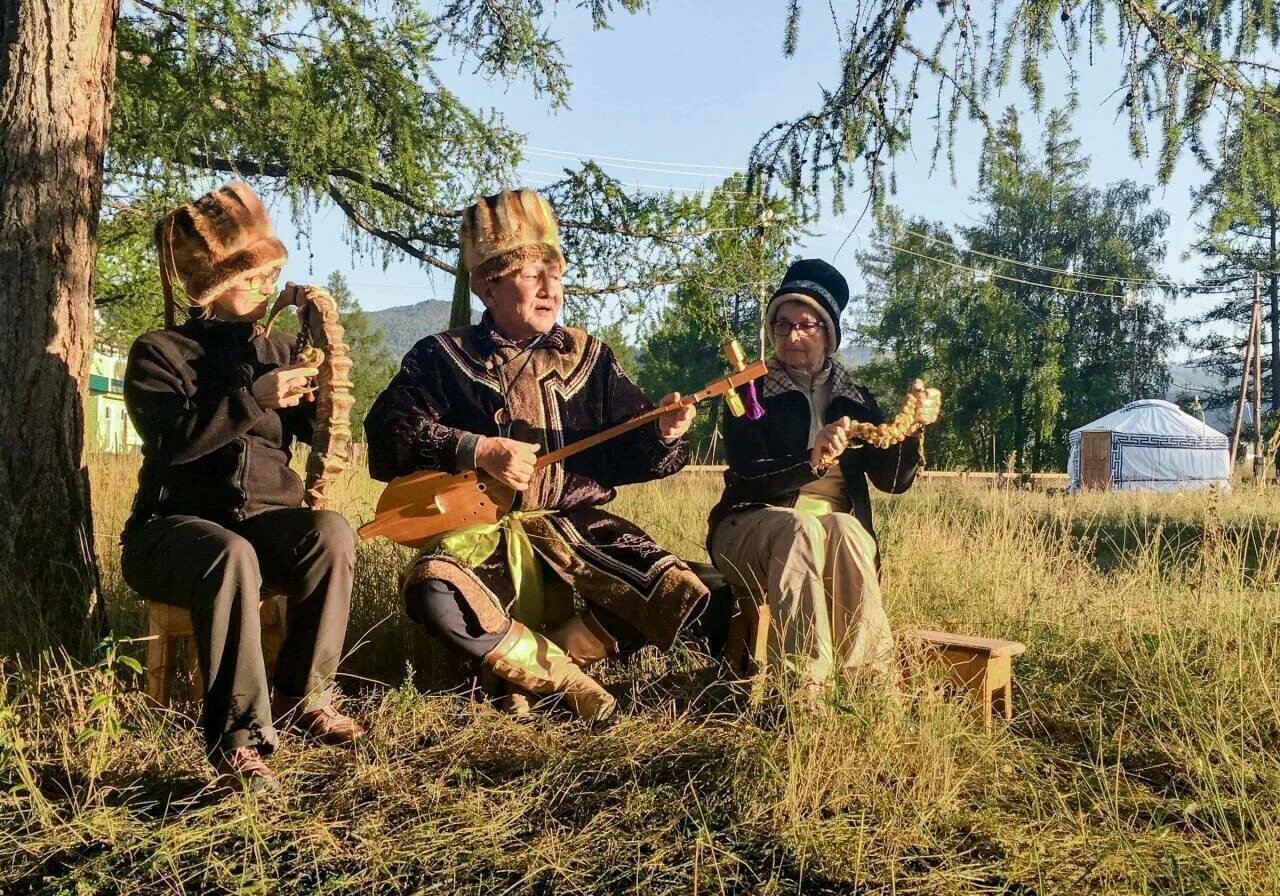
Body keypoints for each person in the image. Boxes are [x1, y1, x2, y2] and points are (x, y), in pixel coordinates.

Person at [365, 188, 724, 722]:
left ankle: (530, 667)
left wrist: (666, 434)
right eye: (532, 275)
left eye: (555, 274)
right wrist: (477, 449)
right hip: (483, 530)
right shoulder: (442, 358)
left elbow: (634, 454)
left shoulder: (590, 356)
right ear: (489, 284)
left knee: (688, 595)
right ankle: (562, 678)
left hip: (578, 530)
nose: (550, 288)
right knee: (435, 593)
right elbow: (387, 434)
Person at [122, 182, 363, 792]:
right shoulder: (159, 353)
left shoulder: (281, 349)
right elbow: (172, 444)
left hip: (263, 525)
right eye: (251, 274)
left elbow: (323, 427)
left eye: (269, 273)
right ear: (210, 284)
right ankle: (238, 738)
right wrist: (252, 399)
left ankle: (303, 695)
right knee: (231, 556)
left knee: (329, 534)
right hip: (170, 532)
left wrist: (324, 362)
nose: (264, 285)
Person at [707, 259, 941, 690]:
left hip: (829, 533)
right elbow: (748, 473)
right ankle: (803, 691)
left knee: (849, 530)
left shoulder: (854, 400)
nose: (792, 335)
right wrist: (811, 461)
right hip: (750, 524)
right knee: (801, 529)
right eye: (782, 325)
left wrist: (913, 429)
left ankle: (867, 686)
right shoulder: (749, 392)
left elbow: (893, 482)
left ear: (829, 334)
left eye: (806, 325)